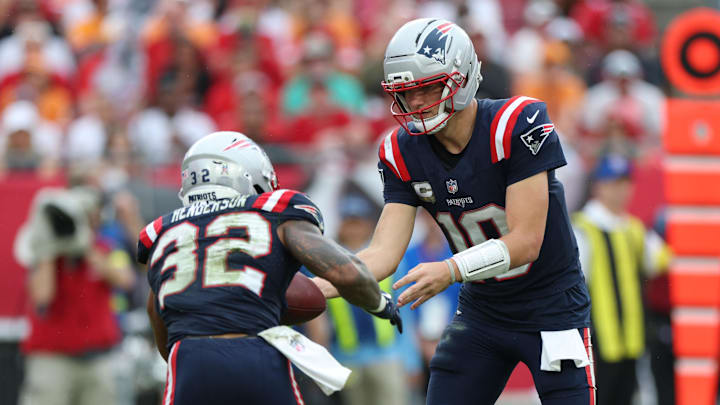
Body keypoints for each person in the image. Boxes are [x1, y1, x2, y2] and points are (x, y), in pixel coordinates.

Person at [312, 18, 594, 404]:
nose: (414, 103)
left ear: (461, 78)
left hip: (552, 308)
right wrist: (314, 288)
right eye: (405, 93)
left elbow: (526, 242)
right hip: (484, 310)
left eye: (426, 88)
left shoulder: (515, 124)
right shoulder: (401, 150)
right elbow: (382, 254)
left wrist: (450, 270)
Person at [137, 131, 401, 405]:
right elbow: (347, 272)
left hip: (189, 359)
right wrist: (378, 303)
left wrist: (192, 349)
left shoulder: (163, 232)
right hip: (255, 353)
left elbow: (156, 314)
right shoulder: (277, 212)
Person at [15, 184, 136, 405]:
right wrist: (50, 248)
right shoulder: (45, 256)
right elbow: (42, 296)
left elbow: (127, 280)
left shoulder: (103, 248)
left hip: (98, 359)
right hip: (52, 360)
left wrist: (86, 246)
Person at [572, 154, 671, 405]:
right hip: (597, 341)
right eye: (613, 183)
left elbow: (662, 259)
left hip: (632, 339)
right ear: (598, 186)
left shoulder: (633, 229)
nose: (621, 190)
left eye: (625, 183)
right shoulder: (583, 227)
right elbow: (573, 283)